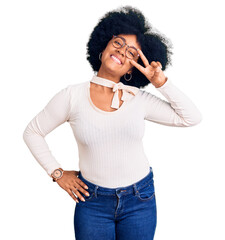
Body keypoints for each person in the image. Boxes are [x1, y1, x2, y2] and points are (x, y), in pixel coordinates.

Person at [23, 5, 202, 240]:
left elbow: (191, 117)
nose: (122, 52)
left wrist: (161, 83)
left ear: (133, 68)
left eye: (132, 53)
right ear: (104, 45)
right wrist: (57, 173)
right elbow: (33, 132)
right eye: (118, 43)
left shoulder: (137, 99)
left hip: (140, 199)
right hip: (92, 203)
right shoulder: (71, 96)